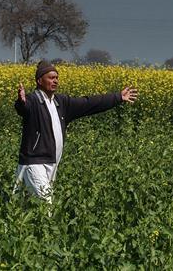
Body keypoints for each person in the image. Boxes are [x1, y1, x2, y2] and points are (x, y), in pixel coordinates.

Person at [14, 59, 138, 202]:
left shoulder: (61, 102)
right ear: (39, 81)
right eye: (51, 78)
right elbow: (23, 108)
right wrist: (21, 102)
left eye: (57, 78)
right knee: (45, 204)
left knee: (27, 205)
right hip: (34, 163)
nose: (55, 81)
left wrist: (118, 97)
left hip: (52, 162)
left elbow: (89, 103)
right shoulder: (33, 100)